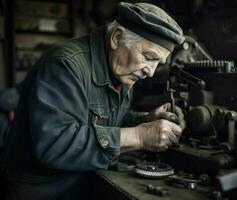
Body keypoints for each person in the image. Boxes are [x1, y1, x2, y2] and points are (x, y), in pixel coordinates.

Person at [3, 2, 185, 200]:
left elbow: (106, 122)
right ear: (117, 38)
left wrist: (145, 120)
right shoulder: (65, 65)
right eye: (148, 57)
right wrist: (140, 137)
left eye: (158, 63)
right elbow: (54, 144)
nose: (150, 72)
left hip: (83, 179)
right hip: (42, 190)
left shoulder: (121, 71)